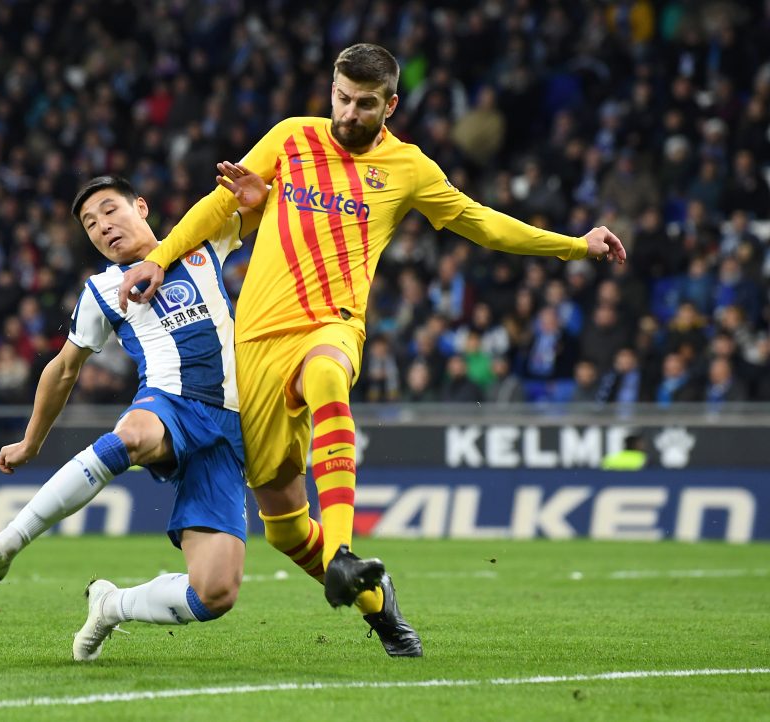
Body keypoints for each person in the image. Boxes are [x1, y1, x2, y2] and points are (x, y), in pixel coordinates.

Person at [118, 43, 626, 658]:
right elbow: (221, 206)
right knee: (281, 524)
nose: (349, 113)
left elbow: (484, 223)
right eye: (342, 99)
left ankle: (342, 551)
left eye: (364, 104)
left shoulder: (409, 169)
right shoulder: (290, 138)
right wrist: (159, 254)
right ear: (331, 90)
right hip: (254, 343)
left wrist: (576, 245)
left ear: (390, 104)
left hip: (331, 327)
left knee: (329, 375)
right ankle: (379, 607)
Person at [0, 173, 267, 662]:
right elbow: (64, 368)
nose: (102, 227)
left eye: (110, 211)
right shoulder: (103, 290)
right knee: (132, 435)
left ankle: (113, 605)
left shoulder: (198, 245)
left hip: (227, 433)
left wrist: (258, 203)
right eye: (91, 224)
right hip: (168, 403)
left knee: (214, 593)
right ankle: (8, 542)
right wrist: (30, 442)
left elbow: (261, 214)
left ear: (141, 207)